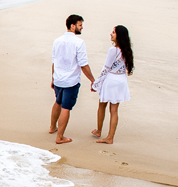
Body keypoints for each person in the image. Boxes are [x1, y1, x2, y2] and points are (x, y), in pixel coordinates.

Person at [49, 14, 95, 144]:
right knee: (66, 107)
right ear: (73, 26)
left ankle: (52, 128)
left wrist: (52, 78)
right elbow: (83, 65)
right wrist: (92, 80)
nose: (81, 28)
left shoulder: (57, 41)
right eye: (80, 25)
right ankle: (60, 137)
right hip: (70, 81)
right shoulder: (79, 43)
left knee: (57, 102)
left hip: (58, 79)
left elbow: (54, 62)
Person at [91, 25, 134, 144]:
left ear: (118, 36)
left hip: (111, 80)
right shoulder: (127, 50)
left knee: (102, 105)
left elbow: (106, 69)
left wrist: (96, 83)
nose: (111, 34)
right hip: (121, 81)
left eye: (113, 32)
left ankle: (99, 131)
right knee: (114, 110)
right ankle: (110, 137)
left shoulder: (113, 50)